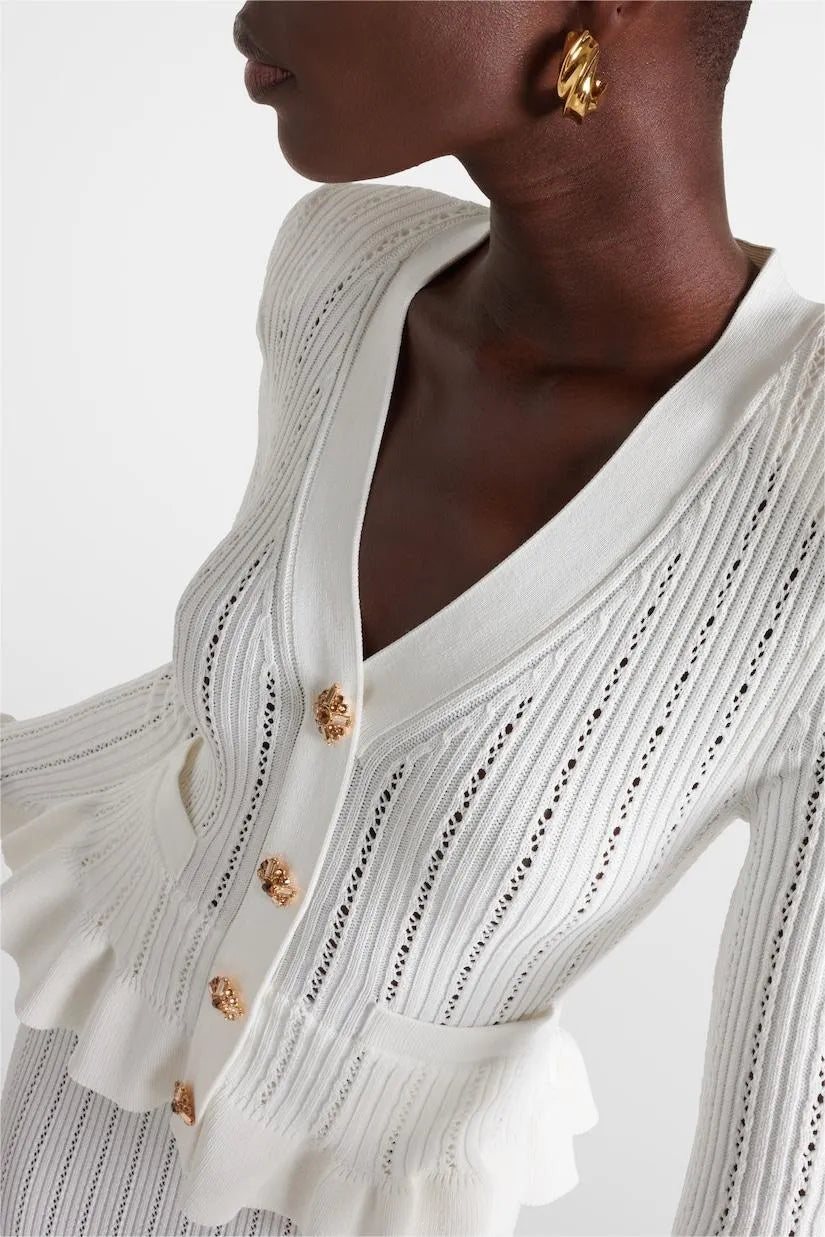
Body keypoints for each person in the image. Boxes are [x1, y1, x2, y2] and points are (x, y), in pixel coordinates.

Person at [2, 2, 823, 1235]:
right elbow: (252, 721)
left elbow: (779, 1179)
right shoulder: (344, 265)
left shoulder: (803, 504)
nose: (252, 14)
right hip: (66, 1117)